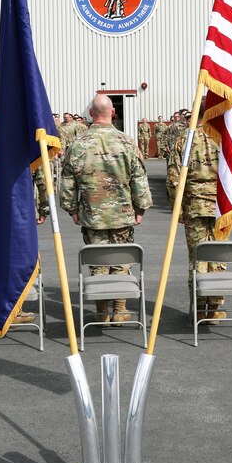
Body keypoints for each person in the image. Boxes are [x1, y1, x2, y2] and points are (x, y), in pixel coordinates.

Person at [60, 94, 152, 324]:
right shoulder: (127, 142)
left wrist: (71, 208)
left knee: (97, 261)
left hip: (92, 215)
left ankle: (102, 311)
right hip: (122, 214)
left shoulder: (78, 144)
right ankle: (119, 309)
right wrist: (141, 208)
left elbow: (68, 181)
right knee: (121, 260)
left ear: (91, 113)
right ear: (113, 112)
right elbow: (139, 178)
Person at [168, 113, 229, 323]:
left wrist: (177, 209)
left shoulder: (185, 138)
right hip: (222, 205)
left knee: (198, 258)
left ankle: (200, 307)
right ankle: (214, 308)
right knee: (218, 256)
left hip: (194, 205)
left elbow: (173, 178)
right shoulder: (224, 135)